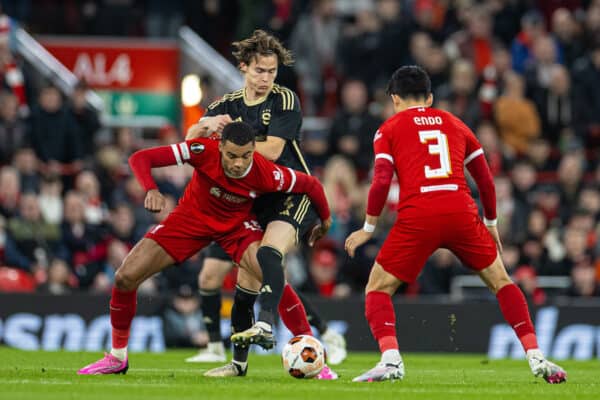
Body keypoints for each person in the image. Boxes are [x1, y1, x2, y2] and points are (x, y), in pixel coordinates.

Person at [344, 66, 567, 384]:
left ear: (394, 99)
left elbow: (381, 181)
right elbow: (486, 180)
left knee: (377, 288)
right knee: (501, 282)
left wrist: (368, 226)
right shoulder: (455, 123)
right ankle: (536, 356)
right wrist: (490, 222)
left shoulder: (388, 129)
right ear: (430, 98)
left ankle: (391, 360)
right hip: (460, 211)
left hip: (418, 215)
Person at [77, 122, 332, 376]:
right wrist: (151, 189)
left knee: (273, 276)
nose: (238, 164)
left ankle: (316, 359)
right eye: (231, 155)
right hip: (191, 220)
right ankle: (117, 357)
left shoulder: (266, 172)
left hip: (236, 228)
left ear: (253, 150)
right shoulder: (202, 150)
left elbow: (311, 185)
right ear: (220, 147)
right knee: (125, 277)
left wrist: (326, 219)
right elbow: (141, 158)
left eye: (245, 156)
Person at [185, 29, 347, 366]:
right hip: (248, 201)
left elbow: (273, 151)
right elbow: (192, 146)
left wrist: (227, 147)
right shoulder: (222, 105)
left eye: (271, 71)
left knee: (270, 256)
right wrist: (204, 128)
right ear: (244, 67)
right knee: (252, 276)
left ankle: (269, 324)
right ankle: (238, 360)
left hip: (290, 192)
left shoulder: (285, 100)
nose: (266, 78)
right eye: (260, 70)